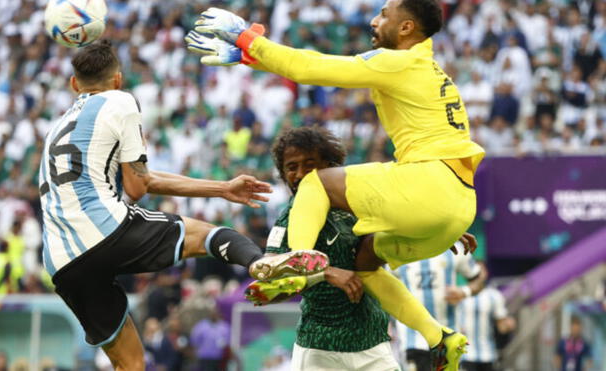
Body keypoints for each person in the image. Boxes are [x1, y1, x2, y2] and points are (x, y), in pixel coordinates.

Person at [187, 0, 484, 369]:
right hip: (454, 204)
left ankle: (296, 259)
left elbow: (310, 67)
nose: (375, 21)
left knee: (317, 185)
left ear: (406, 27)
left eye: (385, 15)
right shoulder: (430, 70)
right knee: (365, 264)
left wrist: (250, 39)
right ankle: (440, 337)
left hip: (429, 185)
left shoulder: (400, 61)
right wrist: (249, 57)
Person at [38, 41, 273, 371]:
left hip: (61, 261)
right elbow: (137, 186)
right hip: (104, 228)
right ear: (118, 79)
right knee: (211, 236)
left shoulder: (57, 126)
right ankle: (263, 266)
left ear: (74, 84)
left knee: (130, 365)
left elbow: (141, 177)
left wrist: (221, 188)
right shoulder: (120, 100)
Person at [246, 126, 401, 371]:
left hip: (372, 343)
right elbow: (270, 275)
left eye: (310, 164)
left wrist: (438, 231)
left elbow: (402, 219)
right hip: (319, 348)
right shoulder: (287, 220)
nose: (300, 174)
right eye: (291, 167)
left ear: (329, 167)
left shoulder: (356, 204)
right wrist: (325, 272)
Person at [394, 252, 487, 371]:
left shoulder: (454, 248)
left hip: (447, 333)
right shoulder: (397, 247)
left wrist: (464, 291)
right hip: (413, 336)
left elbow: (478, 279)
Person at [459, 286, 516, 371]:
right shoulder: (459, 292)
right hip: (465, 354)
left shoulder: (494, 295)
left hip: (488, 354)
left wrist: (508, 325)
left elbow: (502, 327)